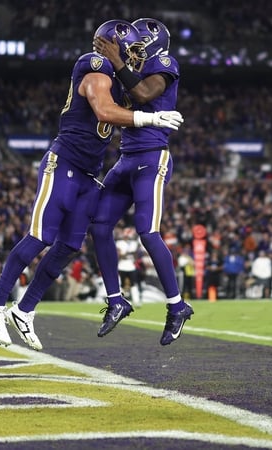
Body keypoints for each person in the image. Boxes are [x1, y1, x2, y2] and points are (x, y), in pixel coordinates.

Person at [0, 19, 184, 350]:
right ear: (108, 45)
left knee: (70, 244)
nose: (132, 57)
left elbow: (138, 94)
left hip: (88, 175)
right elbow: (104, 111)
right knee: (39, 237)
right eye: (127, 49)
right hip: (64, 163)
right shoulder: (97, 66)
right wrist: (150, 118)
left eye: (135, 50)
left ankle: (25, 310)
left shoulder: (120, 75)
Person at [91, 18, 194, 346]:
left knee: (147, 231)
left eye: (136, 48)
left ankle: (177, 306)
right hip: (126, 158)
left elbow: (145, 91)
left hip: (152, 157)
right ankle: (116, 299)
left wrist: (119, 61)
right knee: (99, 223)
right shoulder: (127, 68)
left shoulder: (164, 62)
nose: (129, 53)